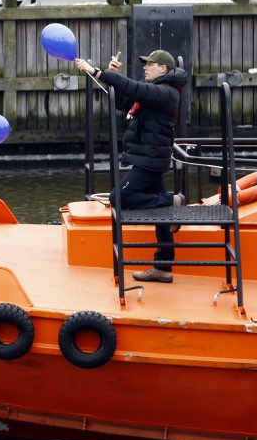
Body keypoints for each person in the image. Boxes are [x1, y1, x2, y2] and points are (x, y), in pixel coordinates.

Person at [75, 49, 188, 283]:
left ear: (163, 69)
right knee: (161, 217)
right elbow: (128, 102)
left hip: (150, 161)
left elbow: (137, 89)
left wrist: (98, 71)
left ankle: (173, 200)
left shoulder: (167, 92)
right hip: (149, 159)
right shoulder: (156, 94)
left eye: (150, 64)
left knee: (118, 198)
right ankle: (163, 266)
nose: (145, 67)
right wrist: (110, 77)